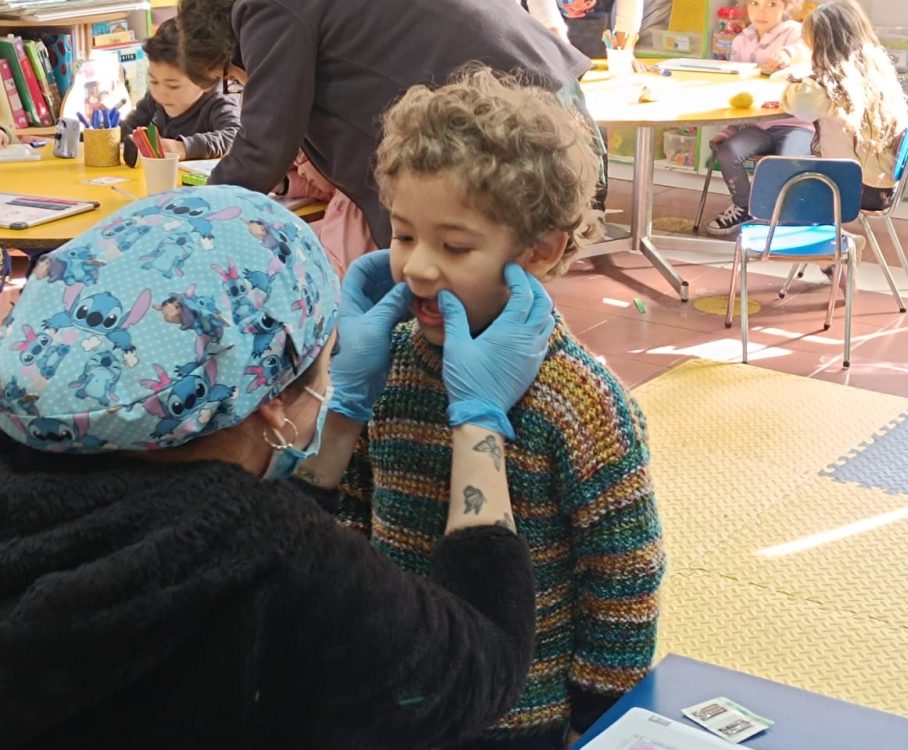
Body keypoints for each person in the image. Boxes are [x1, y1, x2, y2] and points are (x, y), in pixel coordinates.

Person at [0, 184, 560, 748]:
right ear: (269, 401)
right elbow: (478, 663)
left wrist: (338, 421)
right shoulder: (266, 551)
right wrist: (479, 419)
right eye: (328, 358)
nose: (416, 267)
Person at [298, 68, 666, 750]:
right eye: (404, 235)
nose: (416, 269)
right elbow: (350, 502)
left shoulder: (579, 401)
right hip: (394, 688)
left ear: (541, 251)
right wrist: (339, 406)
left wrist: (597, 710)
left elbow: (622, 569)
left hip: (515, 716)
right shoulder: (395, 360)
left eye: (455, 246)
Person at [173, 0, 605, 250]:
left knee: (465, 283)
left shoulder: (267, 7)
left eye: (230, 79)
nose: (243, 87)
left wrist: (183, 218)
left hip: (508, 109)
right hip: (549, 93)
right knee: (510, 277)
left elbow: (263, 148)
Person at [780, 0, 908, 280]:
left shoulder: (833, 86)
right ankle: (836, 248)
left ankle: (838, 249)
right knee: (800, 179)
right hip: (881, 185)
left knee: (784, 192)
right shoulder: (874, 71)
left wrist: (796, 78)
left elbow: (799, 105)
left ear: (823, 46)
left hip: (854, 188)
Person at [705, 0, 813, 236]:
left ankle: (783, 217)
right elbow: (736, 92)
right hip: (756, 124)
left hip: (792, 123)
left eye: (771, 4)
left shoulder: (795, 32)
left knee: (789, 164)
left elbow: (804, 51)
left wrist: (787, 55)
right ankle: (744, 206)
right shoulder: (741, 39)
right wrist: (729, 130)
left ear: (786, 7)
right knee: (727, 152)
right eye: (755, 3)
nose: (761, 11)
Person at [119, 19, 240, 167]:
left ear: (204, 78)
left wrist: (182, 148)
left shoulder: (219, 102)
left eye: (173, 86)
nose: (160, 94)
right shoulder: (156, 97)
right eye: (154, 81)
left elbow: (235, 136)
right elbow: (130, 126)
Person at [273, 149, 376, 278]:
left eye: (302, 160)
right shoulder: (350, 186)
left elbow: (336, 276)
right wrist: (284, 184)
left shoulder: (349, 205)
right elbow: (326, 185)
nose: (300, 172)